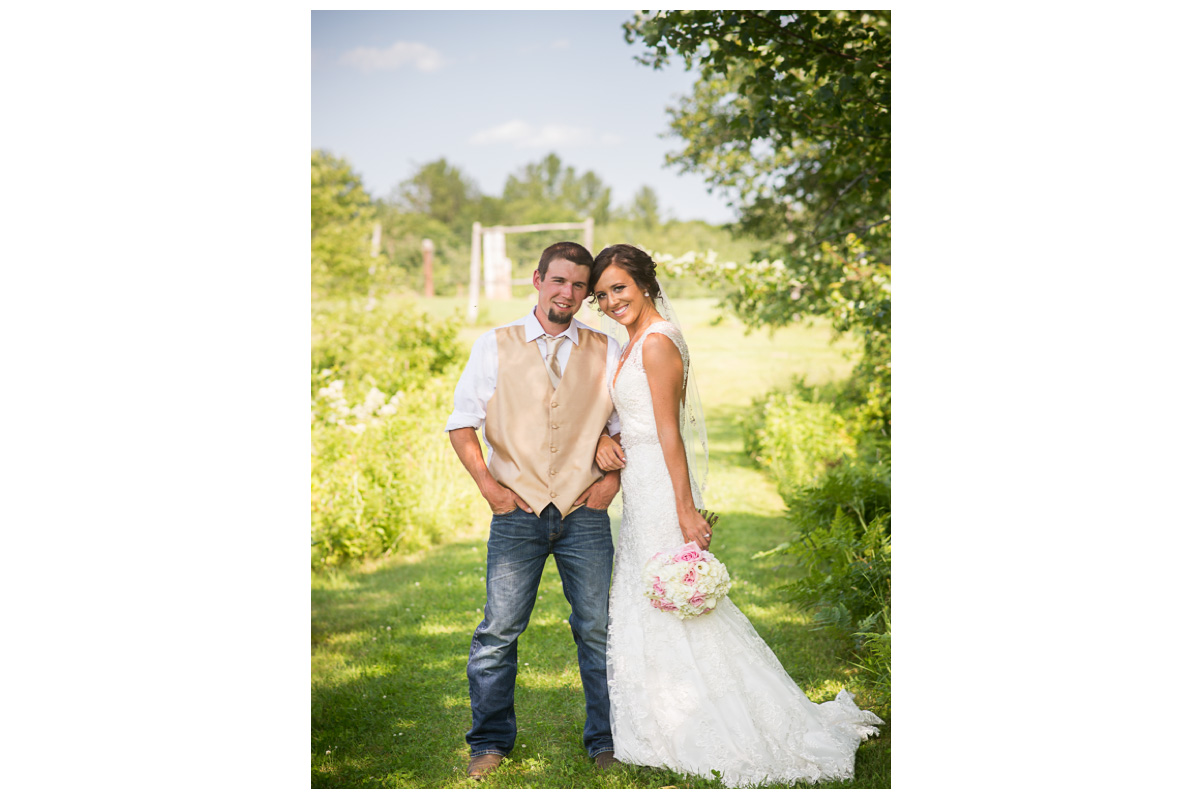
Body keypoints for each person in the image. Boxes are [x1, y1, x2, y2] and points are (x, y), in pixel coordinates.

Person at [590, 244, 883, 787]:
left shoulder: (656, 344)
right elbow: (631, 420)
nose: (610, 301)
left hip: (660, 488)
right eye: (602, 294)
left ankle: (708, 719)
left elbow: (668, 432)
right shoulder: (634, 340)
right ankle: (659, 714)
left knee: (669, 594)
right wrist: (607, 441)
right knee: (647, 595)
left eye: (619, 289)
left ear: (645, 283)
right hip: (640, 484)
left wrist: (684, 509)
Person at [446, 241, 624, 781]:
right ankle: (490, 742)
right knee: (498, 631)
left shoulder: (607, 347)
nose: (567, 293)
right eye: (558, 281)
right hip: (516, 512)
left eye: (578, 285)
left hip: (584, 511)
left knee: (597, 630)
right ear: (537, 279)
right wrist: (489, 488)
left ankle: (607, 739)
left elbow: (628, 424)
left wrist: (611, 479)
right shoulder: (494, 345)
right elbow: (461, 423)